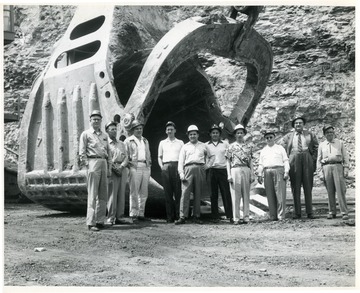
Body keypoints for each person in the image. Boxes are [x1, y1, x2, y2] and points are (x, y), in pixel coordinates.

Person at [79, 110, 112, 231]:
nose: (96, 121)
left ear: (101, 121)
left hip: (103, 162)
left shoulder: (104, 136)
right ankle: (91, 222)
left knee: (103, 194)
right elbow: (82, 152)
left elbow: (108, 152)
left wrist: (109, 167)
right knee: (92, 194)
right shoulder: (86, 134)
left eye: (98, 119)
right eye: (94, 119)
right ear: (90, 121)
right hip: (93, 162)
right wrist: (87, 165)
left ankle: (100, 220)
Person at [280, 116, 318, 219]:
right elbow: (282, 149)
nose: (298, 125)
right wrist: (287, 160)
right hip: (294, 159)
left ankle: (309, 212)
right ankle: (297, 213)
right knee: (295, 186)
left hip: (307, 158)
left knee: (308, 185)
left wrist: (312, 159)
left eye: (300, 123)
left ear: (303, 124)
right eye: (296, 123)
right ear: (294, 125)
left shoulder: (310, 134)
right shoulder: (288, 136)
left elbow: (316, 147)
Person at [175, 125, 214, 225]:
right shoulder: (185, 147)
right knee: (185, 193)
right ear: (188, 135)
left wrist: (208, 165)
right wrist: (181, 173)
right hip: (187, 168)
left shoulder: (203, 145)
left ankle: (196, 216)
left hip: (200, 169)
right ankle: (182, 216)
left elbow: (212, 156)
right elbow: (180, 161)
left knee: (198, 192)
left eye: (194, 134)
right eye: (191, 134)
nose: (193, 136)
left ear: (198, 135)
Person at [317, 125, 350, 221]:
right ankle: (332, 211)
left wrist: (346, 169)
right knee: (330, 191)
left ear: (334, 133)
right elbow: (318, 160)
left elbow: (345, 157)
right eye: (327, 132)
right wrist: (320, 173)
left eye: (331, 132)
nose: (330, 134)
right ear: (324, 134)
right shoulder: (322, 145)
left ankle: (344, 212)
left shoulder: (340, 143)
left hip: (338, 167)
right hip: (326, 168)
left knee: (341, 191)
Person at [225, 124, 255, 225]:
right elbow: (228, 162)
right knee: (235, 195)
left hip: (246, 169)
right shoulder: (231, 147)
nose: (240, 134)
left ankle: (246, 217)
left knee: (246, 194)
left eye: (241, 132)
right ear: (235, 134)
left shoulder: (248, 146)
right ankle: (236, 218)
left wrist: (252, 174)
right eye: (238, 133)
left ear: (244, 134)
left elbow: (250, 161)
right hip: (235, 170)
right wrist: (229, 175)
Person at [257, 130, 290, 221]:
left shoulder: (280, 148)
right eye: (267, 138)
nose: (269, 139)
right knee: (270, 194)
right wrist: (259, 174)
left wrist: (286, 171)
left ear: (274, 138)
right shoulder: (263, 150)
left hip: (278, 170)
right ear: (265, 139)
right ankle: (273, 215)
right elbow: (261, 164)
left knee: (280, 194)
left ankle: (281, 215)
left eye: (271, 137)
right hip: (267, 171)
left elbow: (285, 160)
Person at [124, 119, 152, 222]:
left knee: (144, 192)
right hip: (134, 166)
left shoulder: (145, 140)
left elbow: (148, 154)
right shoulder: (128, 141)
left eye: (140, 128)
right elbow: (125, 155)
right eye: (137, 129)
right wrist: (129, 166)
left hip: (145, 165)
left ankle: (141, 213)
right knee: (134, 191)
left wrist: (149, 166)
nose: (139, 130)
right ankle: (133, 214)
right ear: (132, 130)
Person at [206, 124, 233, 223]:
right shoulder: (206, 145)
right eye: (213, 133)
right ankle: (215, 216)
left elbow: (229, 157)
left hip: (222, 170)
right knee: (213, 194)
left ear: (219, 134)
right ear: (210, 134)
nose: (215, 134)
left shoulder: (225, 144)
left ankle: (230, 215)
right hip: (211, 170)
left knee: (226, 193)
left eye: (217, 132)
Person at [158, 121, 184, 223]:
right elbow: (159, 157)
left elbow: (182, 157)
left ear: (175, 130)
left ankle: (178, 216)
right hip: (166, 167)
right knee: (167, 193)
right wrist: (162, 167)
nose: (169, 131)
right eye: (168, 129)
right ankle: (169, 217)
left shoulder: (180, 142)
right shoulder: (162, 143)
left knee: (178, 193)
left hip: (177, 166)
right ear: (166, 131)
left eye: (171, 129)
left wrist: (181, 168)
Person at [105, 121, 129, 225]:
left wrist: (122, 166)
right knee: (112, 194)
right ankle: (111, 217)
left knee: (121, 194)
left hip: (122, 170)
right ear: (107, 131)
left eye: (115, 129)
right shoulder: (106, 144)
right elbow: (107, 158)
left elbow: (126, 157)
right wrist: (115, 168)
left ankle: (120, 216)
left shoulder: (121, 144)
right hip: (112, 170)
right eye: (112, 129)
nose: (114, 131)